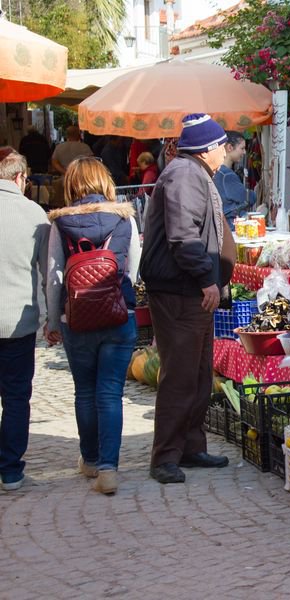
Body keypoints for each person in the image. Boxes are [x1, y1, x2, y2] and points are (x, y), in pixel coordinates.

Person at [139, 114, 236, 484]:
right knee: (180, 374)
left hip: (192, 290)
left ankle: (191, 446)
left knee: (197, 373)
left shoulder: (193, 173)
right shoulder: (183, 175)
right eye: (222, 146)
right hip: (181, 290)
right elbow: (183, 237)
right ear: (208, 148)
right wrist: (206, 279)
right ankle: (165, 456)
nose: (225, 152)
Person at [45, 157, 140, 495]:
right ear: (105, 181)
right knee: (110, 392)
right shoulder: (124, 218)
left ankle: (89, 460)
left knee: (85, 390)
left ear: (72, 185)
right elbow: (133, 272)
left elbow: (54, 277)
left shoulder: (61, 224)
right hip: (119, 315)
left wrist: (53, 320)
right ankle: (109, 470)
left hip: (77, 318)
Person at [0, 147, 50, 491]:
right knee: (16, 396)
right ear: (20, 178)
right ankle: (10, 470)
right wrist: (50, 319)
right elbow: (46, 271)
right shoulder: (34, 213)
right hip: (17, 319)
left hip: (18, 318)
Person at [213, 131, 256, 228]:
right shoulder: (227, 175)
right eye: (242, 148)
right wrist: (253, 194)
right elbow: (249, 198)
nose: (244, 152)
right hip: (230, 226)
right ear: (229, 148)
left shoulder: (216, 170)